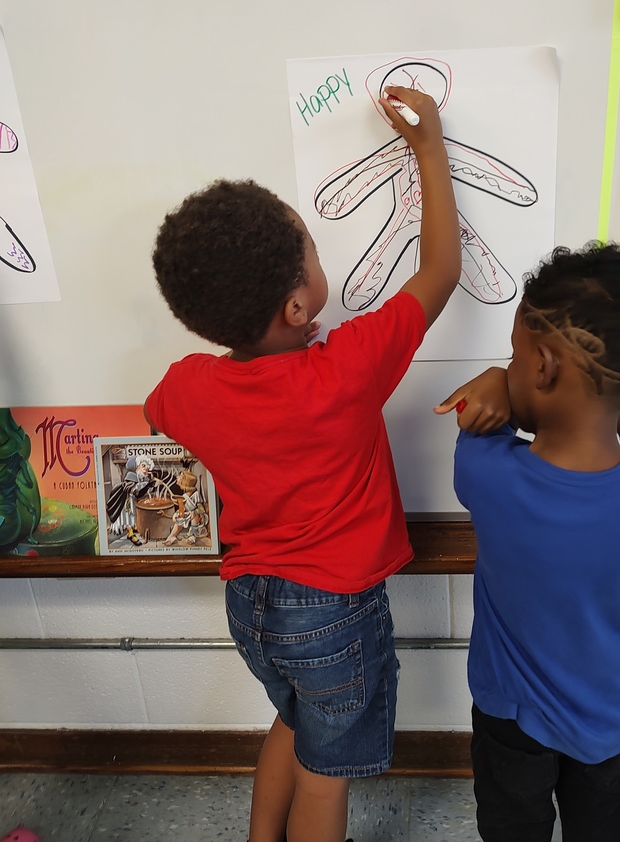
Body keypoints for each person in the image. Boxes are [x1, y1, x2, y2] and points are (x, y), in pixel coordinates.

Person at [144, 85, 461, 842]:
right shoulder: (344, 369)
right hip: (333, 611)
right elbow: (443, 270)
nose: (322, 256)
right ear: (296, 306)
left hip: (251, 604)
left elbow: (165, 412)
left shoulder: (188, 385)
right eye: (313, 250)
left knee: (291, 722)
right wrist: (428, 148)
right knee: (330, 771)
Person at [434, 242, 620, 842]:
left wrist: (496, 381)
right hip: (607, 715)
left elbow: (481, 417)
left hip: (511, 719)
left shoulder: (487, 470)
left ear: (545, 368)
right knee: (600, 826)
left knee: (512, 828)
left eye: (514, 353)